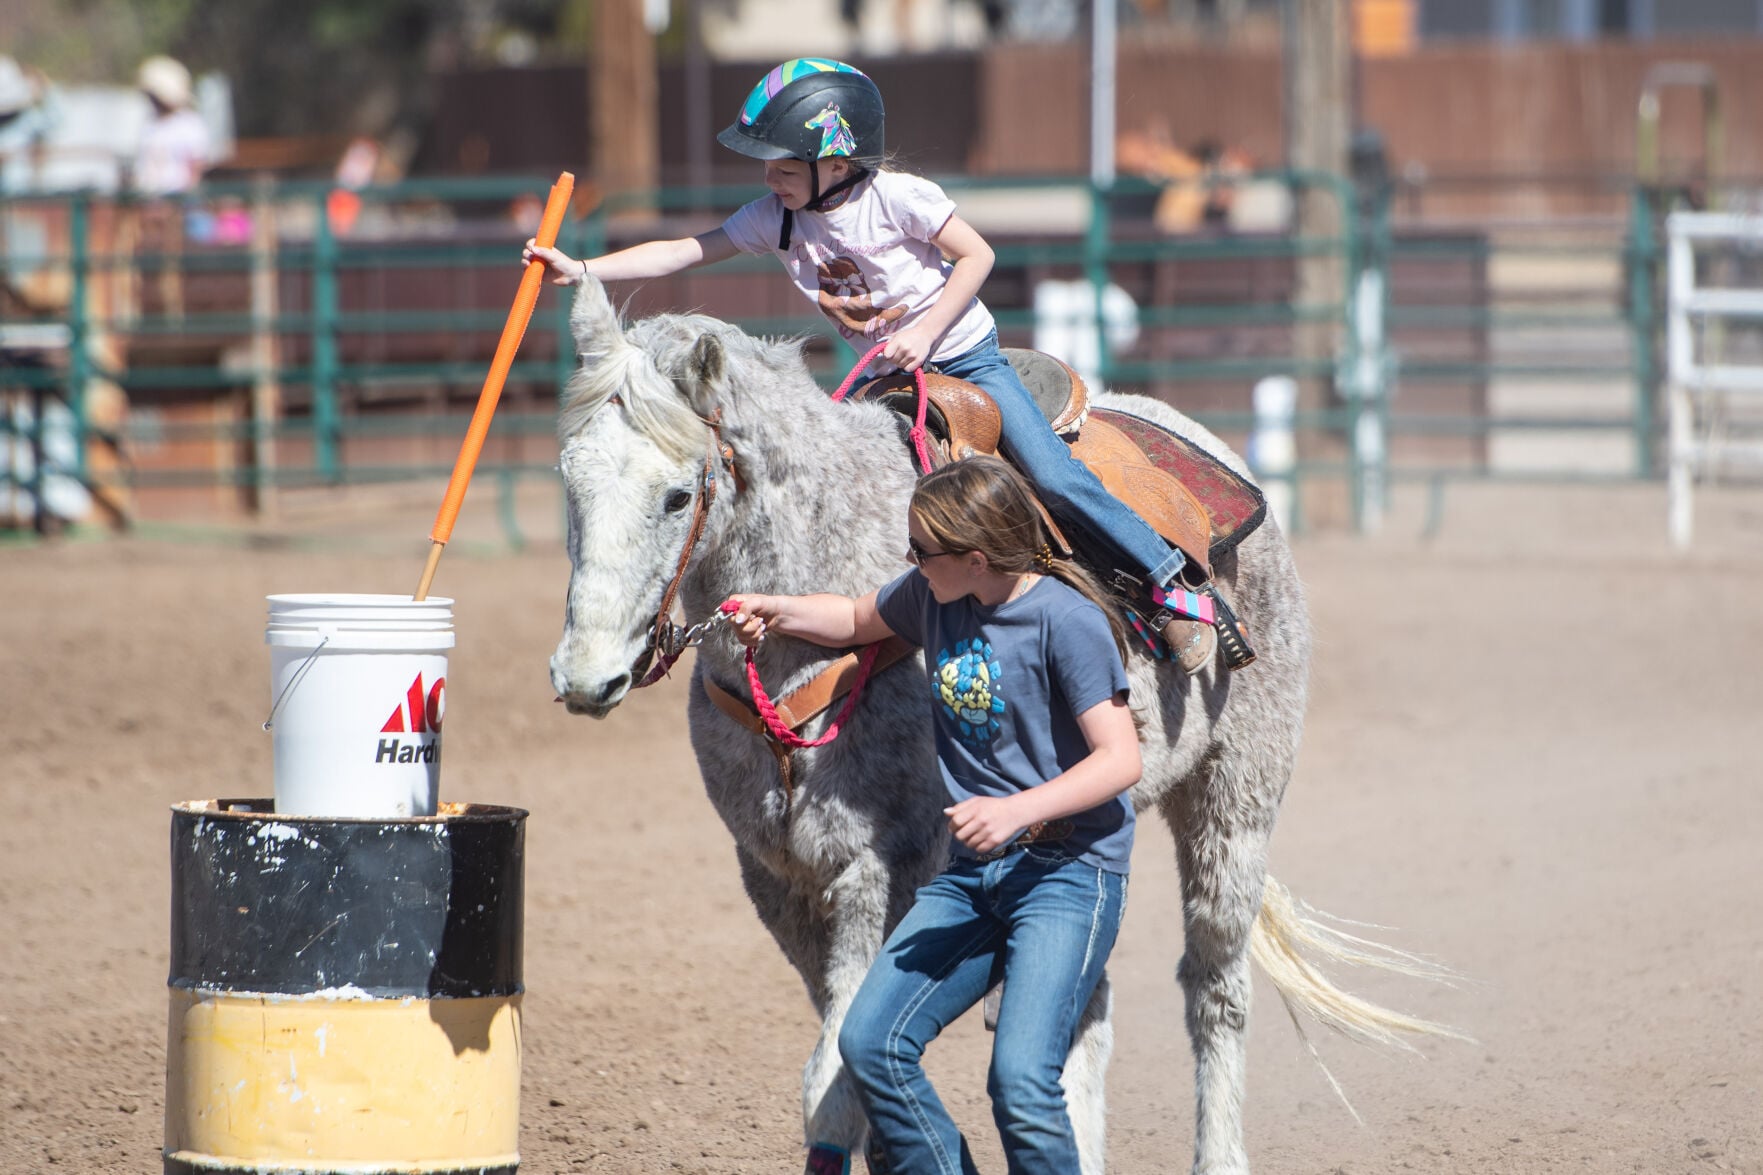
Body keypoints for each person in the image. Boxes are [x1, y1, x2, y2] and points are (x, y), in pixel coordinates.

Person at [524, 57, 1219, 673]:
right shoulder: (777, 216)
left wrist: (926, 330)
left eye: (784, 165)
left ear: (837, 160)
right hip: (888, 378)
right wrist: (584, 269)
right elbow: (685, 249)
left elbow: (978, 255)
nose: (770, 178)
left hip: (965, 359)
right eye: (767, 166)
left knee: (1052, 476)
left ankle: (1170, 582)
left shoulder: (898, 199)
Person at [722, 456, 1140, 1174]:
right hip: (972, 875)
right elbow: (855, 619)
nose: (911, 561)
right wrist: (774, 607)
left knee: (1020, 1083)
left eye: (922, 549)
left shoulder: (1067, 622)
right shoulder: (932, 594)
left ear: (976, 558)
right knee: (870, 1043)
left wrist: (1016, 811)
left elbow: (1120, 758)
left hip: (1068, 873)